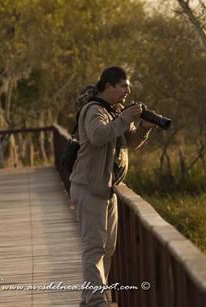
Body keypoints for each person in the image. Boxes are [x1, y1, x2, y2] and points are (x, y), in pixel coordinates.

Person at [69, 66, 156, 306]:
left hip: (107, 190)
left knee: (107, 249)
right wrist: (126, 117)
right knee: (94, 249)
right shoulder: (94, 110)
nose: (128, 91)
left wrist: (143, 130)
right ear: (108, 86)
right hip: (89, 189)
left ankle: (91, 299)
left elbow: (128, 140)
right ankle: (97, 301)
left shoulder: (115, 111)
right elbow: (98, 136)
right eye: (123, 86)